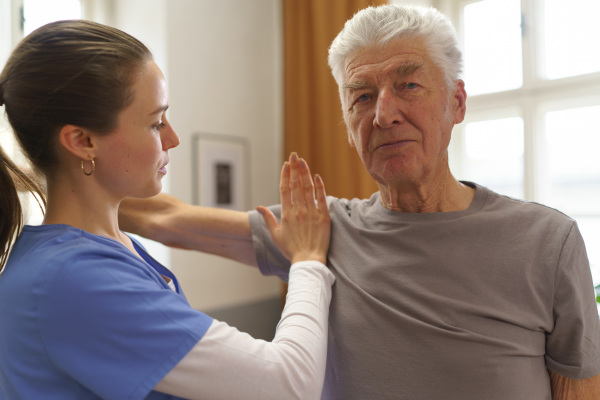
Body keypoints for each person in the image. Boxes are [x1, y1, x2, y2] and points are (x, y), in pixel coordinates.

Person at [119, 4, 600, 400]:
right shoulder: (320, 230)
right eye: (362, 96)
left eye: (408, 85)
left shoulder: (547, 242)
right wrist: (50, 168)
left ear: (457, 103)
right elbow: (166, 216)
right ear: (348, 125)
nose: (384, 114)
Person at [0, 20, 336, 400]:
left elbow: (164, 215)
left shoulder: (103, 247)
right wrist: (308, 260)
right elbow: (288, 385)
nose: (172, 138)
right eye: (156, 123)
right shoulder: (71, 278)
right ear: (83, 141)